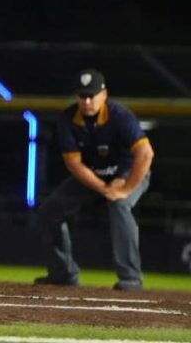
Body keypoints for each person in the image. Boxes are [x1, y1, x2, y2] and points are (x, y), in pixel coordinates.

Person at [35, 69, 155, 291]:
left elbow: (145, 154)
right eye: (82, 96)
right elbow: (74, 164)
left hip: (128, 173)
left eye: (92, 95)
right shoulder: (68, 119)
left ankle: (131, 278)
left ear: (104, 94)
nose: (87, 101)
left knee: (119, 205)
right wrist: (103, 187)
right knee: (50, 210)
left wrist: (125, 188)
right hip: (92, 177)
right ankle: (63, 273)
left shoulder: (119, 115)